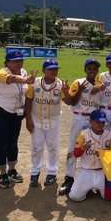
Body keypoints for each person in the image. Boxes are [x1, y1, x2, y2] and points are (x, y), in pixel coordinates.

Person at [59, 58, 102, 196]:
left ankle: (89, 179)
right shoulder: (78, 82)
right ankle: (69, 177)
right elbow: (71, 102)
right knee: (73, 148)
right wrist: (80, 90)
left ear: (97, 71)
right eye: (89, 68)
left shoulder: (100, 85)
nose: (92, 71)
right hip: (79, 117)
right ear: (85, 70)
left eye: (94, 69)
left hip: (92, 121)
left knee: (91, 148)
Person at [25, 59, 70, 187]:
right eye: (50, 69)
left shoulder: (60, 84)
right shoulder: (35, 82)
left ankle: (51, 173)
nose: (53, 71)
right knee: (37, 147)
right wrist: (28, 119)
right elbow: (28, 100)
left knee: (53, 147)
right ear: (44, 70)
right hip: (36, 120)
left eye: (55, 69)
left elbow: (68, 102)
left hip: (53, 121)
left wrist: (66, 92)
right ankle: (35, 172)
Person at [0, 50, 36, 188]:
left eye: (20, 60)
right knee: (2, 143)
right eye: (15, 61)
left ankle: (12, 169)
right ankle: (2, 173)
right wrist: (25, 80)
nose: (19, 63)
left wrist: (26, 112)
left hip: (17, 114)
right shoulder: (2, 72)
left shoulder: (24, 71)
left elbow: (26, 92)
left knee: (13, 142)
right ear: (7, 62)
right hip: (2, 112)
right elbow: (10, 79)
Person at [69, 110, 111, 202]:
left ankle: (95, 188)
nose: (100, 124)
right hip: (86, 171)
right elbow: (76, 154)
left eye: (102, 122)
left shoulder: (109, 134)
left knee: (109, 197)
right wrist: (83, 148)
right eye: (97, 122)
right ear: (91, 122)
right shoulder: (84, 134)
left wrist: (104, 153)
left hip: (102, 172)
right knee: (74, 197)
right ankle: (87, 189)